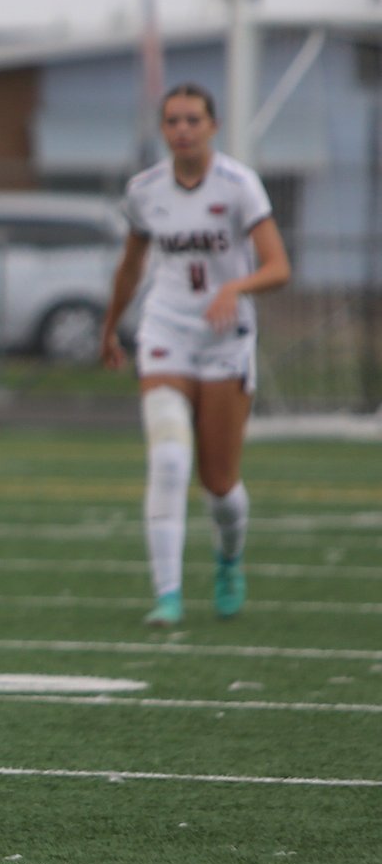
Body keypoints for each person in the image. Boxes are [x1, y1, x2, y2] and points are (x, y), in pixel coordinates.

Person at [99, 83, 292, 627]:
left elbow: (279, 267)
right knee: (167, 460)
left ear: (213, 126)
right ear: (162, 129)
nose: (182, 129)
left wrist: (235, 288)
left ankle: (229, 562)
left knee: (219, 484)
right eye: (172, 120)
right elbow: (130, 267)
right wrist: (110, 328)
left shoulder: (238, 185)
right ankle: (168, 596)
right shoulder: (145, 190)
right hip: (166, 331)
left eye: (192, 119)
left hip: (225, 339)